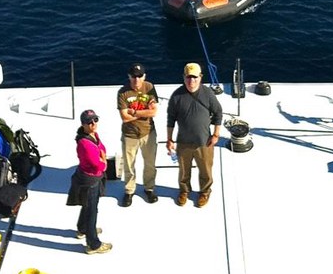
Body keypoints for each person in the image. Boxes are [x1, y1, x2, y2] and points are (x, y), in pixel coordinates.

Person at [166, 62, 223, 208]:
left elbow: (218, 113)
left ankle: (205, 192)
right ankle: (184, 190)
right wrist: (169, 139)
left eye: (194, 77)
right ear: (184, 77)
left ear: (200, 77)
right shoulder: (176, 96)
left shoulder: (208, 94)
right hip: (183, 142)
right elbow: (170, 119)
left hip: (204, 142)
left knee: (205, 170)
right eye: (188, 77)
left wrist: (216, 134)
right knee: (183, 171)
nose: (191, 81)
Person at [69, 110, 112, 255]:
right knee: (91, 210)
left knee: (87, 206)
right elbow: (97, 163)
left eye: (95, 119)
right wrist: (104, 162)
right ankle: (93, 243)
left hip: (92, 178)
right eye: (89, 122)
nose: (93, 123)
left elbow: (102, 149)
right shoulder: (85, 143)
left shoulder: (93, 135)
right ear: (83, 125)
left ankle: (83, 228)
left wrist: (102, 157)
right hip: (89, 180)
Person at [117, 62, 159, 206]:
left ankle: (149, 188)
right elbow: (124, 117)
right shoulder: (122, 92)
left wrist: (134, 112)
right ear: (129, 76)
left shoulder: (150, 87)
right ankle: (129, 191)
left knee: (150, 164)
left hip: (148, 133)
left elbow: (154, 112)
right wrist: (144, 113)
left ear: (144, 76)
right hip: (129, 135)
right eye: (134, 77)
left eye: (140, 76)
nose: (137, 80)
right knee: (129, 166)